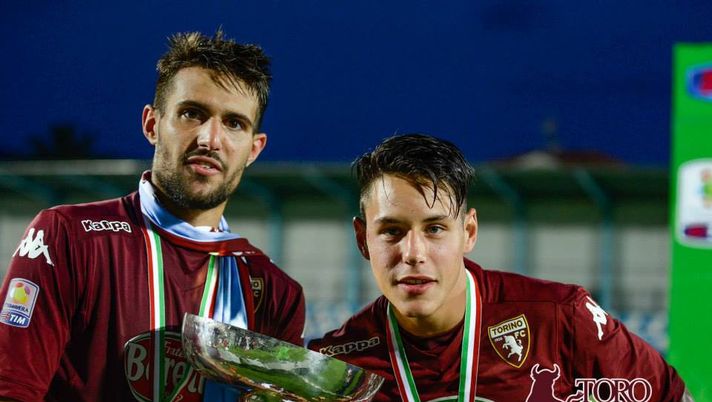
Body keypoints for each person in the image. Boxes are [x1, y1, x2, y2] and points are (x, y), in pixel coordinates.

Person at [0, 31, 305, 402]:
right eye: (192, 113)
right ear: (152, 124)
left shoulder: (273, 292)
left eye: (234, 123)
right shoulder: (69, 237)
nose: (210, 139)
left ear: (254, 149)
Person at [308, 134, 693, 402]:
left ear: (468, 232)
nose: (413, 253)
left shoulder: (560, 318)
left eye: (435, 229)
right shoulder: (335, 366)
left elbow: (669, 396)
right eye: (391, 231)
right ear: (363, 239)